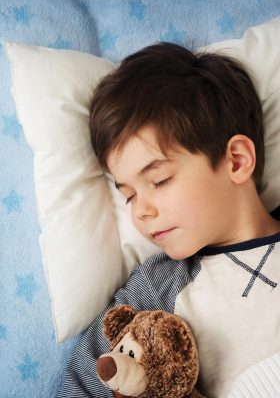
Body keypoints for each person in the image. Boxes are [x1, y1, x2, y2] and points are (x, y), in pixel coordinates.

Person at [57, 42, 280, 398]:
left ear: (236, 161)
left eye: (159, 180)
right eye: (128, 195)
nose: (140, 211)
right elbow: (83, 385)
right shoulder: (158, 287)